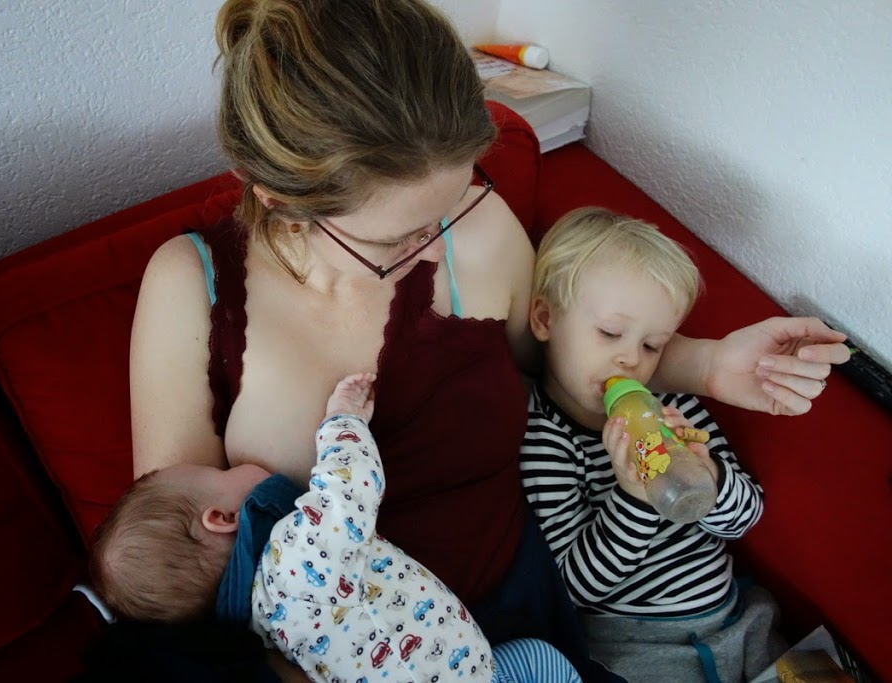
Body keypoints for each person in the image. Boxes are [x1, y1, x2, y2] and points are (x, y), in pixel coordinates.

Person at [124, 0, 848, 680]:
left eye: (446, 208)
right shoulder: (191, 288)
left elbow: (556, 362)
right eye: (396, 237)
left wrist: (713, 362)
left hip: (535, 625)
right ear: (273, 193)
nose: (432, 245)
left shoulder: (477, 222)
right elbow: (184, 587)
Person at [92, 373, 582, 683]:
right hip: (477, 673)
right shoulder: (291, 557)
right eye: (221, 474)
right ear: (221, 519)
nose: (232, 468)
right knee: (544, 661)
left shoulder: (256, 626)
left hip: (468, 668)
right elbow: (349, 492)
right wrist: (342, 423)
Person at [520, 207, 787, 682]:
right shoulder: (547, 441)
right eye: (609, 333)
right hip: (637, 648)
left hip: (738, 620)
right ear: (544, 319)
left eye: (653, 345)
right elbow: (575, 587)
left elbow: (745, 519)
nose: (630, 359)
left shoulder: (672, 408)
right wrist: (635, 498)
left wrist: (710, 475)